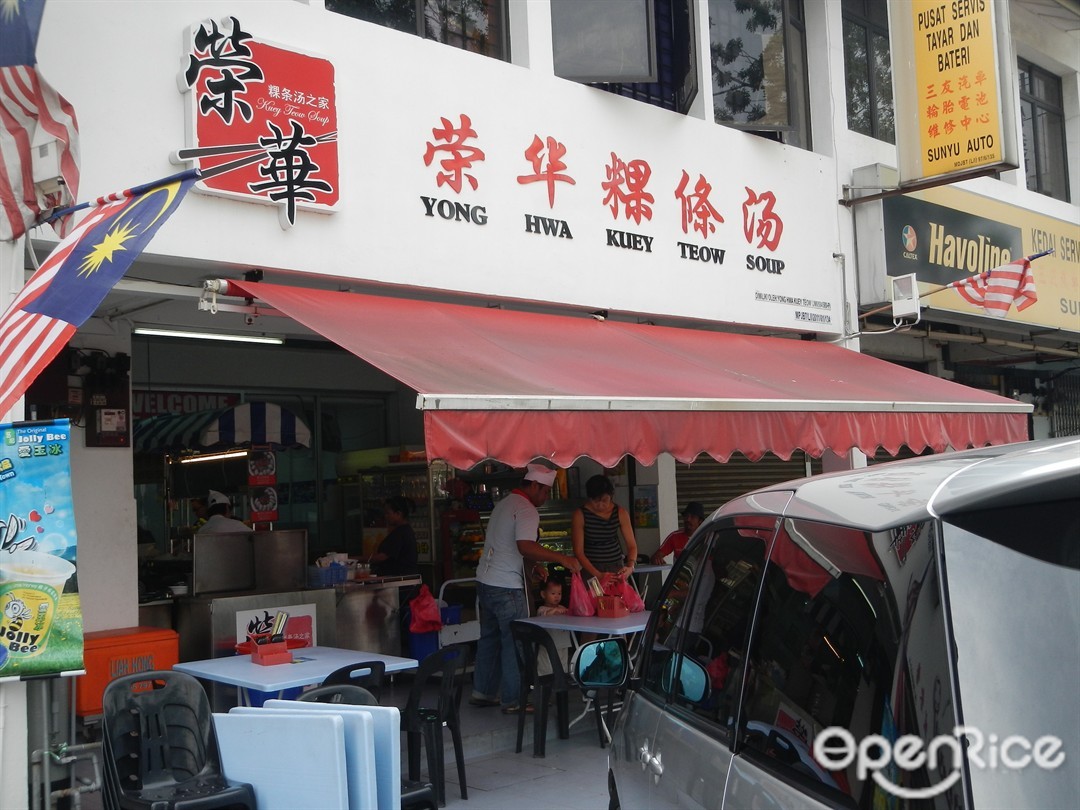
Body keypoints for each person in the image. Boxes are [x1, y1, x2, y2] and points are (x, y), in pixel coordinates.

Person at [471, 463, 582, 714]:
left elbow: (508, 545)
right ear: (533, 485)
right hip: (507, 586)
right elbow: (524, 546)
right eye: (544, 492)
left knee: (489, 638)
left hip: (485, 581)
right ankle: (514, 699)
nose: (545, 497)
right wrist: (561, 559)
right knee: (515, 642)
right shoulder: (527, 509)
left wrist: (533, 568)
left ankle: (483, 691)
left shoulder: (504, 504)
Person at [572, 474, 638, 586]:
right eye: (596, 501)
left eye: (605, 500)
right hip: (590, 568)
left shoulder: (620, 513)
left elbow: (632, 545)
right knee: (593, 602)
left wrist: (630, 566)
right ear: (589, 497)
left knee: (616, 601)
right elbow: (578, 552)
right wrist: (597, 574)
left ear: (611, 496)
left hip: (615, 567)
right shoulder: (580, 515)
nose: (600, 505)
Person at [369, 495, 419, 576]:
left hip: (401, 580)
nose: (386, 516)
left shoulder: (401, 533)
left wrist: (357, 559)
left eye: (388, 513)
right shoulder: (403, 531)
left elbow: (382, 557)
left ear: (398, 514)